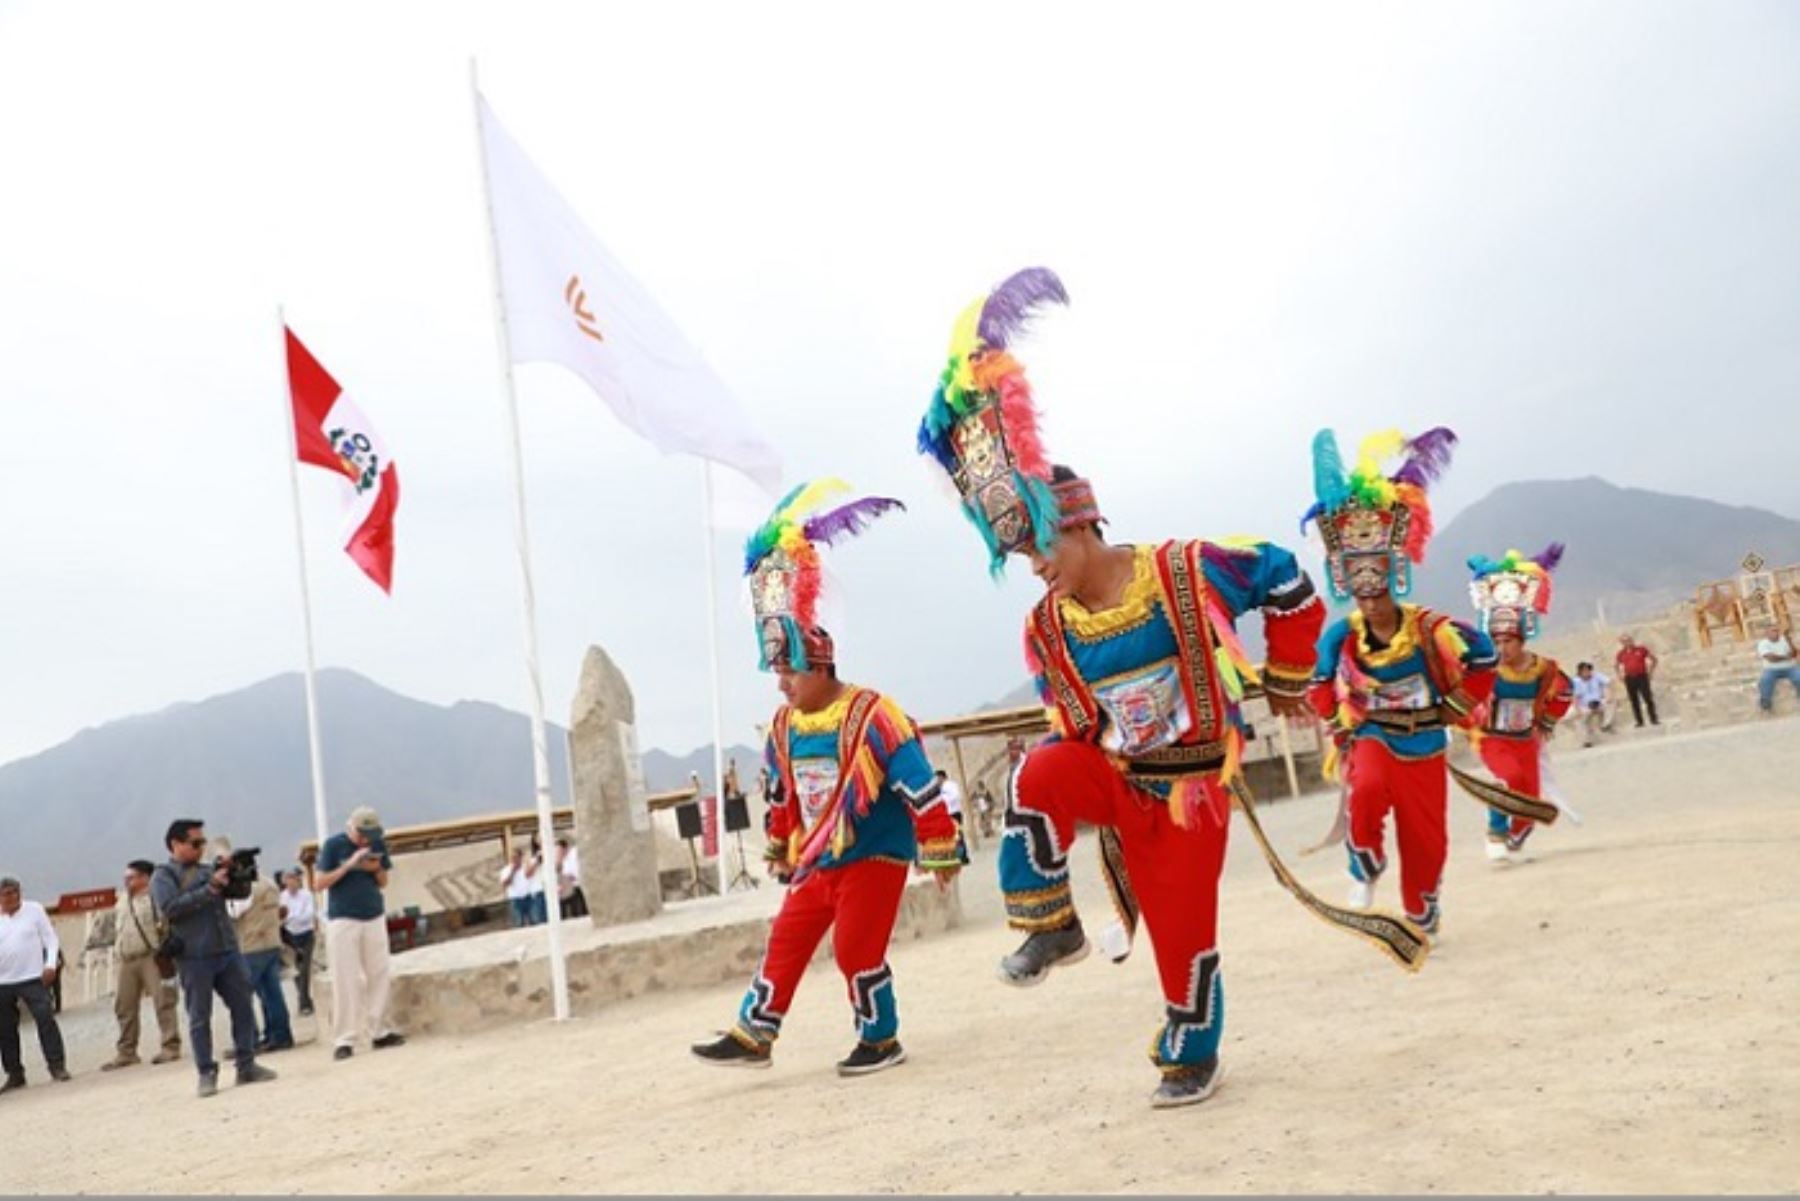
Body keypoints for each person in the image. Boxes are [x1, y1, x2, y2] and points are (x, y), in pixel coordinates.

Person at [915, 269, 1333, 1109]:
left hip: (1193, 789)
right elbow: (1073, 729)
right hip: (1123, 777)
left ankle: (1193, 1045)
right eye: (1020, 555)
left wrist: (1290, 675)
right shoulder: (1047, 627)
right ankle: (1051, 923)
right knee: (1037, 772)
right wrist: (1076, 782)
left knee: (1183, 931)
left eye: (1038, 546)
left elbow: (1285, 578)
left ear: (1078, 520)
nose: (1032, 566)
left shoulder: (1182, 569)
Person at [691, 480, 962, 1076]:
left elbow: (918, 783)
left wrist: (939, 847)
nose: (782, 684)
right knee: (787, 935)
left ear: (820, 665)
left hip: (874, 853)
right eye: (777, 672)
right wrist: (784, 846)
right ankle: (753, 1032)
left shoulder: (874, 715)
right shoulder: (784, 726)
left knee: (855, 950)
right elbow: (783, 794)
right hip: (820, 858)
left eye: (788, 671)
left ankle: (881, 1038)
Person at [1305, 427, 1497, 941]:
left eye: (1377, 589)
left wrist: (1456, 705)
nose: (1369, 600)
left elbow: (1484, 657)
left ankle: (1421, 906)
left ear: (1393, 578)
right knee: (1365, 789)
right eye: (1359, 591)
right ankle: (1364, 862)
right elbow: (1318, 686)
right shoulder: (1340, 637)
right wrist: (1338, 717)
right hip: (1372, 735)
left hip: (1425, 740)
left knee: (1427, 837)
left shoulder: (1431, 627)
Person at [150, 821, 277, 1098]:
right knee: (199, 1017)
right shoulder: (164, 876)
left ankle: (247, 1064)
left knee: (243, 1006)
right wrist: (209, 888)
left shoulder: (209, 870)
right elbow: (170, 908)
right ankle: (206, 1071)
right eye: (195, 843)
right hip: (194, 955)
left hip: (227, 950)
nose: (200, 848)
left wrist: (238, 872)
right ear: (176, 844)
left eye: (202, 843)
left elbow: (239, 894)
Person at [1467, 546, 1576, 862]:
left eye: (1508, 641)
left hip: (1526, 741)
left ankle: (1514, 839)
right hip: (1493, 739)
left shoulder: (1543, 669)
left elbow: (1564, 693)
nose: (1502, 647)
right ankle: (1495, 831)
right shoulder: (1486, 668)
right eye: (1497, 641)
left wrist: (1548, 720)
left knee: (1529, 800)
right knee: (1509, 779)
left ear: (1521, 640)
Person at [313, 807, 405, 1061]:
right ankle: (345, 1037)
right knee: (346, 978)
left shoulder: (378, 845)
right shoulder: (333, 846)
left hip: (373, 914)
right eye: (363, 834)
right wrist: (351, 865)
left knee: (379, 973)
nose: (367, 840)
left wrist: (375, 868)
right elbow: (319, 883)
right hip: (343, 917)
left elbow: (384, 881)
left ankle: (380, 1030)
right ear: (352, 829)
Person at [103, 859, 182, 1070]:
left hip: (152, 956)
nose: (126, 881)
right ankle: (127, 1051)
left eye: (131, 877)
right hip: (127, 958)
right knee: (124, 1006)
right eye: (126, 877)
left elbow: (168, 925)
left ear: (145, 877)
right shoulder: (122, 900)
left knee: (163, 1001)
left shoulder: (156, 898)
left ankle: (170, 1045)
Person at [0, 876, 69, 1093]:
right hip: (3, 981)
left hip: (33, 977)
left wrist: (50, 965)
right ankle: (15, 1073)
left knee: (45, 1019)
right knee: (6, 1029)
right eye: (5, 894)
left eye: (14, 892)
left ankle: (57, 1066)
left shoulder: (35, 910)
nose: (11, 897)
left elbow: (50, 939)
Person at [228, 868, 294, 1053]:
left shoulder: (246, 889)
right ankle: (279, 1036)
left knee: (242, 996)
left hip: (251, 945)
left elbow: (233, 913)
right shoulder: (269, 884)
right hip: (272, 943)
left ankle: (249, 1041)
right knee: (273, 994)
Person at [279, 870, 317, 1016]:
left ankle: (304, 1002)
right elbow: (282, 917)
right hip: (290, 937)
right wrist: (294, 918)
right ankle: (305, 1000)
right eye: (288, 880)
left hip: (306, 934)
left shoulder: (306, 895)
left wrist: (293, 917)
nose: (291, 883)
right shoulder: (283, 897)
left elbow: (309, 914)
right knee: (296, 970)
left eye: (293, 879)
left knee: (305, 968)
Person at [1615, 634, 1660, 727]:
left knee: (1647, 698)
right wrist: (1619, 675)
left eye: (1628, 640)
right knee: (1634, 700)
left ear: (1632, 640)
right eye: (1624, 641)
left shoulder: (1641, 649)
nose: (1627, 642)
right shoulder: (1621, 653)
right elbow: (1616, 665)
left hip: (1642, 676)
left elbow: (1654, 660)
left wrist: (1650, 672)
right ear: (1622, 643)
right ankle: (1639, 721)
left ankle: (1653, 719)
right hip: (1629, 678)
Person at [1756, 621, 1800, 714]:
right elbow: (1771, 658)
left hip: (1790, 667)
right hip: (1771, 669)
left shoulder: (1785, 640)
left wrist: (1789, 640)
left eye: (1777, 630)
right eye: (1773, 631)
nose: (1776, 633)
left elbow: (1795, 653)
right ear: (1767, 633)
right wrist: (1785, 657)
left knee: (1798, 677)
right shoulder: (1763, 644)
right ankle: (1766, 704)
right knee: (1765, 681)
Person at [1570, 662, 1614, 747]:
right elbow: (1575, 697)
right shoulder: (1576, 681)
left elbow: (1608, 682)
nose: (1587, 672)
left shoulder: (1596, 676)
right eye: (1584, 671)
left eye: (1588, 670)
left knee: (1611, 703)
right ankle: (1586, 741)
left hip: (1599, 702)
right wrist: (1578, 710)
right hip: (1585, 706)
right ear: (1580, 672)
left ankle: (1605, 725)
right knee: (1578, 720)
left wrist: (1609, 695)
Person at [935, 771, 972, 864]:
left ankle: (962, 857)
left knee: (957, 835)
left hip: (953, 813)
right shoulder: (942, 787)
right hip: (948, 813)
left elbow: (955, 797)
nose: (936, 781)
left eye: (937, 778)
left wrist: (943, 798)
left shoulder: (949, 786)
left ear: (941, 777)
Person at [499, 848, 533, 927]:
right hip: (515, 899)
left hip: (528, 896)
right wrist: (512, 871)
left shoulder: (526, 867)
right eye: (513, 858)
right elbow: (505, 884)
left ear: (521, 857)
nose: (515, 860)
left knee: (533, 921)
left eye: (517, 857)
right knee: (518, 923)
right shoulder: (506, 870)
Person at [556, 839, 588, 920]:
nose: (558, 853)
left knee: (585, 908)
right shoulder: (563, 861)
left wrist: (573, 876)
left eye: (559, 851)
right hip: (574, 888)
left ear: (565, 848)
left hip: (582, 884)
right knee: (578, 910)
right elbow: (564, 876)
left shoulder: (575, 852)